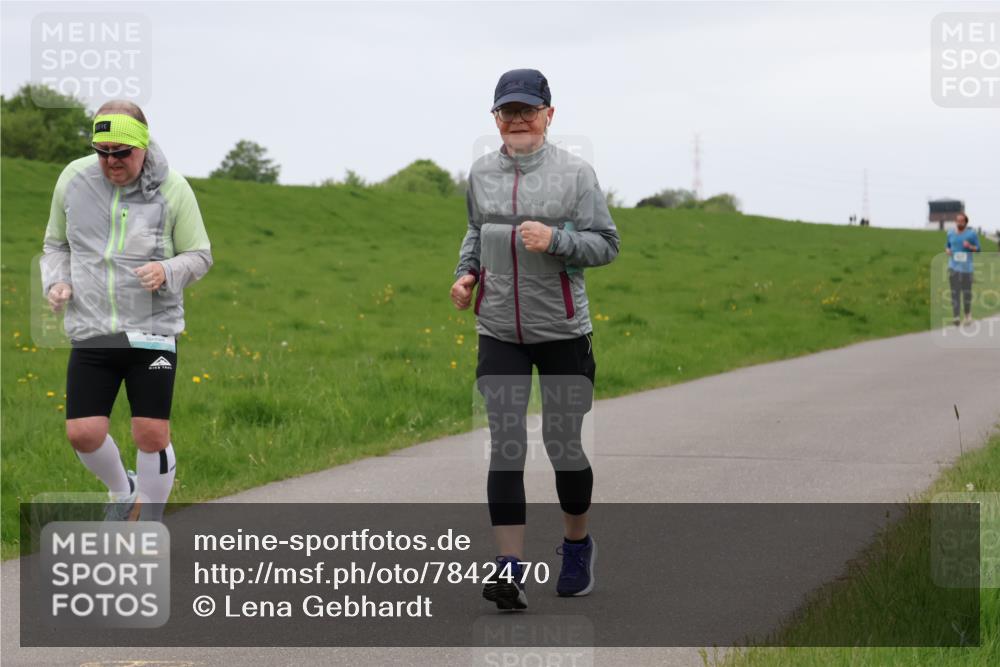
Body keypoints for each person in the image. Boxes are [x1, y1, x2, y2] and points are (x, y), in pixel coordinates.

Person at [450, 69, 620, 610]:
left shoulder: (576, 174)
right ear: (495, 118)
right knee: (506, 443)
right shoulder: (480, 173)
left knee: (563, 447)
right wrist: (466, 274)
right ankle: (510, 569)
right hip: (500, 327)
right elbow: (478, 231)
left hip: (563, 330)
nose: (517, 119)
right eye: (507, 111)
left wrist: (556, 240)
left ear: (549, 114)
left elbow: (606, 244)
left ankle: (576, 545)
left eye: (527, 110)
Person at [40, 101, 212, 521]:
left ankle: (149, 521)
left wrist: (166, 269)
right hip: (92, 327)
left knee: (150, 433)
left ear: (143, 146)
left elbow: (200, 255)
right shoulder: (74, 180)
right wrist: (57, 281)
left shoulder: (174, 189)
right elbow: (55, 245)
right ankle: (124, 493)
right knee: (83, 433)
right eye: (103, 152)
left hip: (152, 330)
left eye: (122, 152)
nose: (111, 162)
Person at [944, 212, 980, 326]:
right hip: (953, 267)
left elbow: (978, 249)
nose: (959, 223)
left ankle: (967, 315)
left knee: (966, 294)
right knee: (955, 293)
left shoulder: (971, 234)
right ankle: (956, 317)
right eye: (958, 221)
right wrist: (947, 250)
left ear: (965, 222)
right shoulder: (950, 233)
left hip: (967, 269)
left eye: (962, 221)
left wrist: (970, 246)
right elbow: (947, 246)